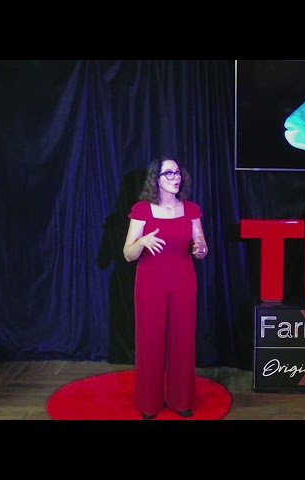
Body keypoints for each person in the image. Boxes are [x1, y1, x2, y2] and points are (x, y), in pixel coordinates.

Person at [123, 156, 208, 420]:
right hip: (150, 284)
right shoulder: (142, 210)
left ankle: (181, 399)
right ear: (156, 179)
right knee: (150, 341)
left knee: (183, 340)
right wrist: (141, 242)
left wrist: (201, 249)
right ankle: (149, 402)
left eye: (177, 173)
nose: (175, 177)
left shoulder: (191, 209)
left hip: (184, 282)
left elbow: (201, 248)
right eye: (168, 173)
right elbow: (128, 254)